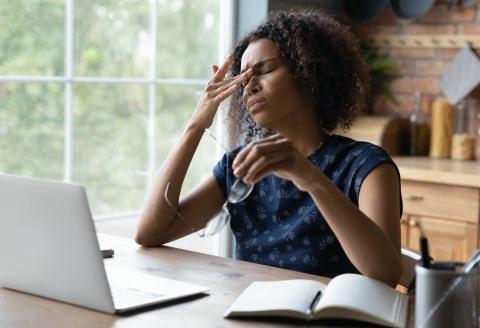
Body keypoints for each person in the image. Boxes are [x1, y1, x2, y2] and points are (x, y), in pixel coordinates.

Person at [135, 9, 403, 287]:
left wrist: (310, 177)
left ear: (308, 71)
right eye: (242, 79)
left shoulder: (366, 165)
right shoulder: (241, 165)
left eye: (264, 70)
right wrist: (195, 124)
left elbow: (386, 272)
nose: (249, 86)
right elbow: (150, 233)